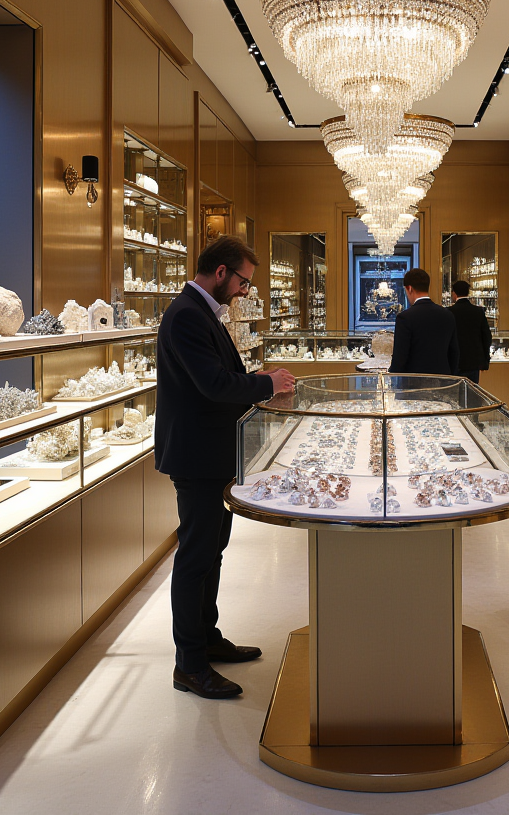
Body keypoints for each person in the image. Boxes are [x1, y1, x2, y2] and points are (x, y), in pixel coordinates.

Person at [155, 235, 296, 699]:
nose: (244, 291)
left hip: (212, 453)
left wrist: (258, 385)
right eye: (242, 281)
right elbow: (214, 384)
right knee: (196, 556)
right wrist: (265, 382)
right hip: (198, 456)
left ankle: (207, 638)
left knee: (212, 551)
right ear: (220, 272)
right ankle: (189, 663)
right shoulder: (186, 316)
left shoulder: (200, 314)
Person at [389, 267, 460, 376]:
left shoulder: (405, 317)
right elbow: (454, 353)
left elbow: (400, 358)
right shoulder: (448, 315)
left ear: (409, 289)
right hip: (443, 381)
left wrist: (392, 378)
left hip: (414, 383)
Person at [449, 279, 492, 384]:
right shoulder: (478, 312)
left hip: (455, 362)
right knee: (472, 393)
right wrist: (485, 361)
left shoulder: (449, 312)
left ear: (454, 293)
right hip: (473, 362)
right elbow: (487, 337)